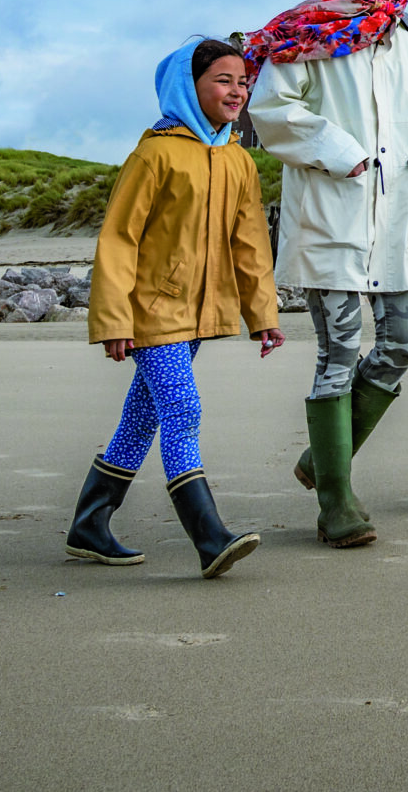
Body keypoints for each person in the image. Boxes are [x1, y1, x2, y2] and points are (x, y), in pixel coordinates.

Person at [245, 0, 408, 548]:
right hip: (331, 212)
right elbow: (271, 108)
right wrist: (342, 151)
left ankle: (322, 457)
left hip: (399, 217)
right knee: (336, 354)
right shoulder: (307, 27)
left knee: (403, 345)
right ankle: (336, 501)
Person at [67, 37, 283, 579]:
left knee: (141, 418)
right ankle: (210, 538)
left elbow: (251, 244)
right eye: (223, 80)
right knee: (182, 411)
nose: (237, 91)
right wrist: (115, 320)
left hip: (197, 316)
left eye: (243, 81)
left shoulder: (237, 160)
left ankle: (89, 526)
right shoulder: (155, 153)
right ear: (189, 85)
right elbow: (118, 240)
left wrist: (263, 315)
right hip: (151, 313)